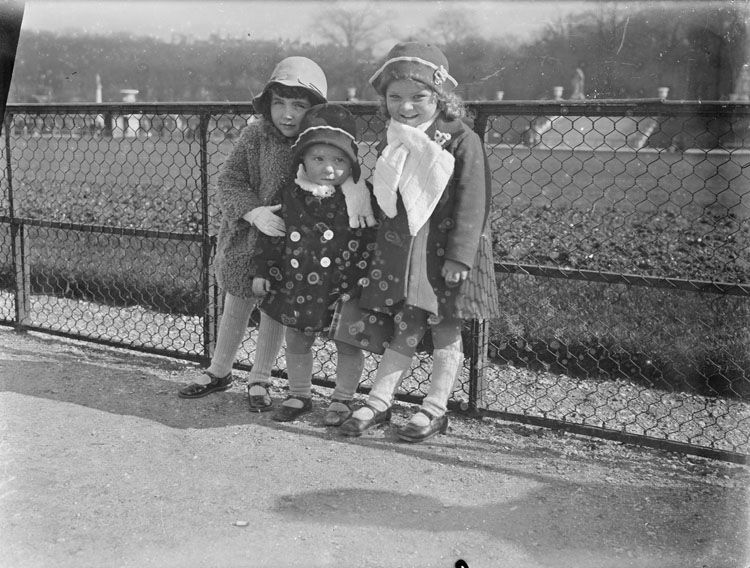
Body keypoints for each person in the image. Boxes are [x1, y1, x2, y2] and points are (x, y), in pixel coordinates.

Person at [339, 41, 500, 442]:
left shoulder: (460, 140)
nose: (406, 107)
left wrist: (461, 257)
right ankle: (380, 399)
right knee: (405, 323)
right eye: (395, 98)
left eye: (418, 97)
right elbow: (385, 191)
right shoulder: (395, 140)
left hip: (444, 254)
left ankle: (435, 407)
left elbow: (473, 201)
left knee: (445, 325)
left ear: (440, 96)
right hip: (406, 253)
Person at [177, 56, 328, 412]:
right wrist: (253, 212)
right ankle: (219, 370)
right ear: (268, 104)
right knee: (237, 300)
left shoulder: (318, 144)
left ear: (314, 108)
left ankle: (260, 378)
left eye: (298, 105)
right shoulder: (255, 134)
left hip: (291, 242)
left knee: (275, 307)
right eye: (279, 103)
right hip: (248, 234)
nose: (287, 114)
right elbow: (229, 179)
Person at [251, 103, 378, 424]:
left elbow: (372, 242)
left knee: (347, 343)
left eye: (339, 160)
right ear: (302, 160)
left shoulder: (361, 199)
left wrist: (367, 280)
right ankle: (299, 394)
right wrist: (263, 270)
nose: (329, 168)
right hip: (297, 283)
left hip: (345, 286)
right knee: (297, 338)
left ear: (351, 163)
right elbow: (272, 235)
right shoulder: (291, 192)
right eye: (318, 158)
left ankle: (343, 399)